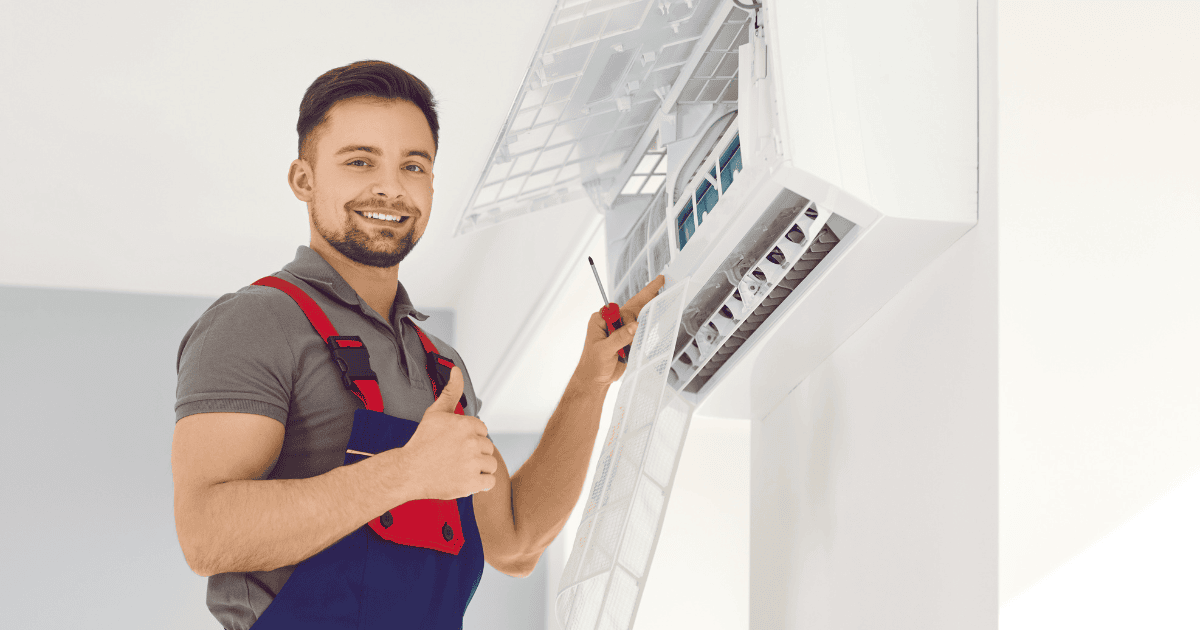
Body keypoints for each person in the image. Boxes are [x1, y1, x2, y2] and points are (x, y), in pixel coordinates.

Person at [170, 59, 665, 629]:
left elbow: (516, 542)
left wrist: (589, 383)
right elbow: (206, 534)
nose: (390, 186)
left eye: (414, 165)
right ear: (303, 179)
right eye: (359, 161)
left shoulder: (440, 368)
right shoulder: (256, 321)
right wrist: (406, 473)